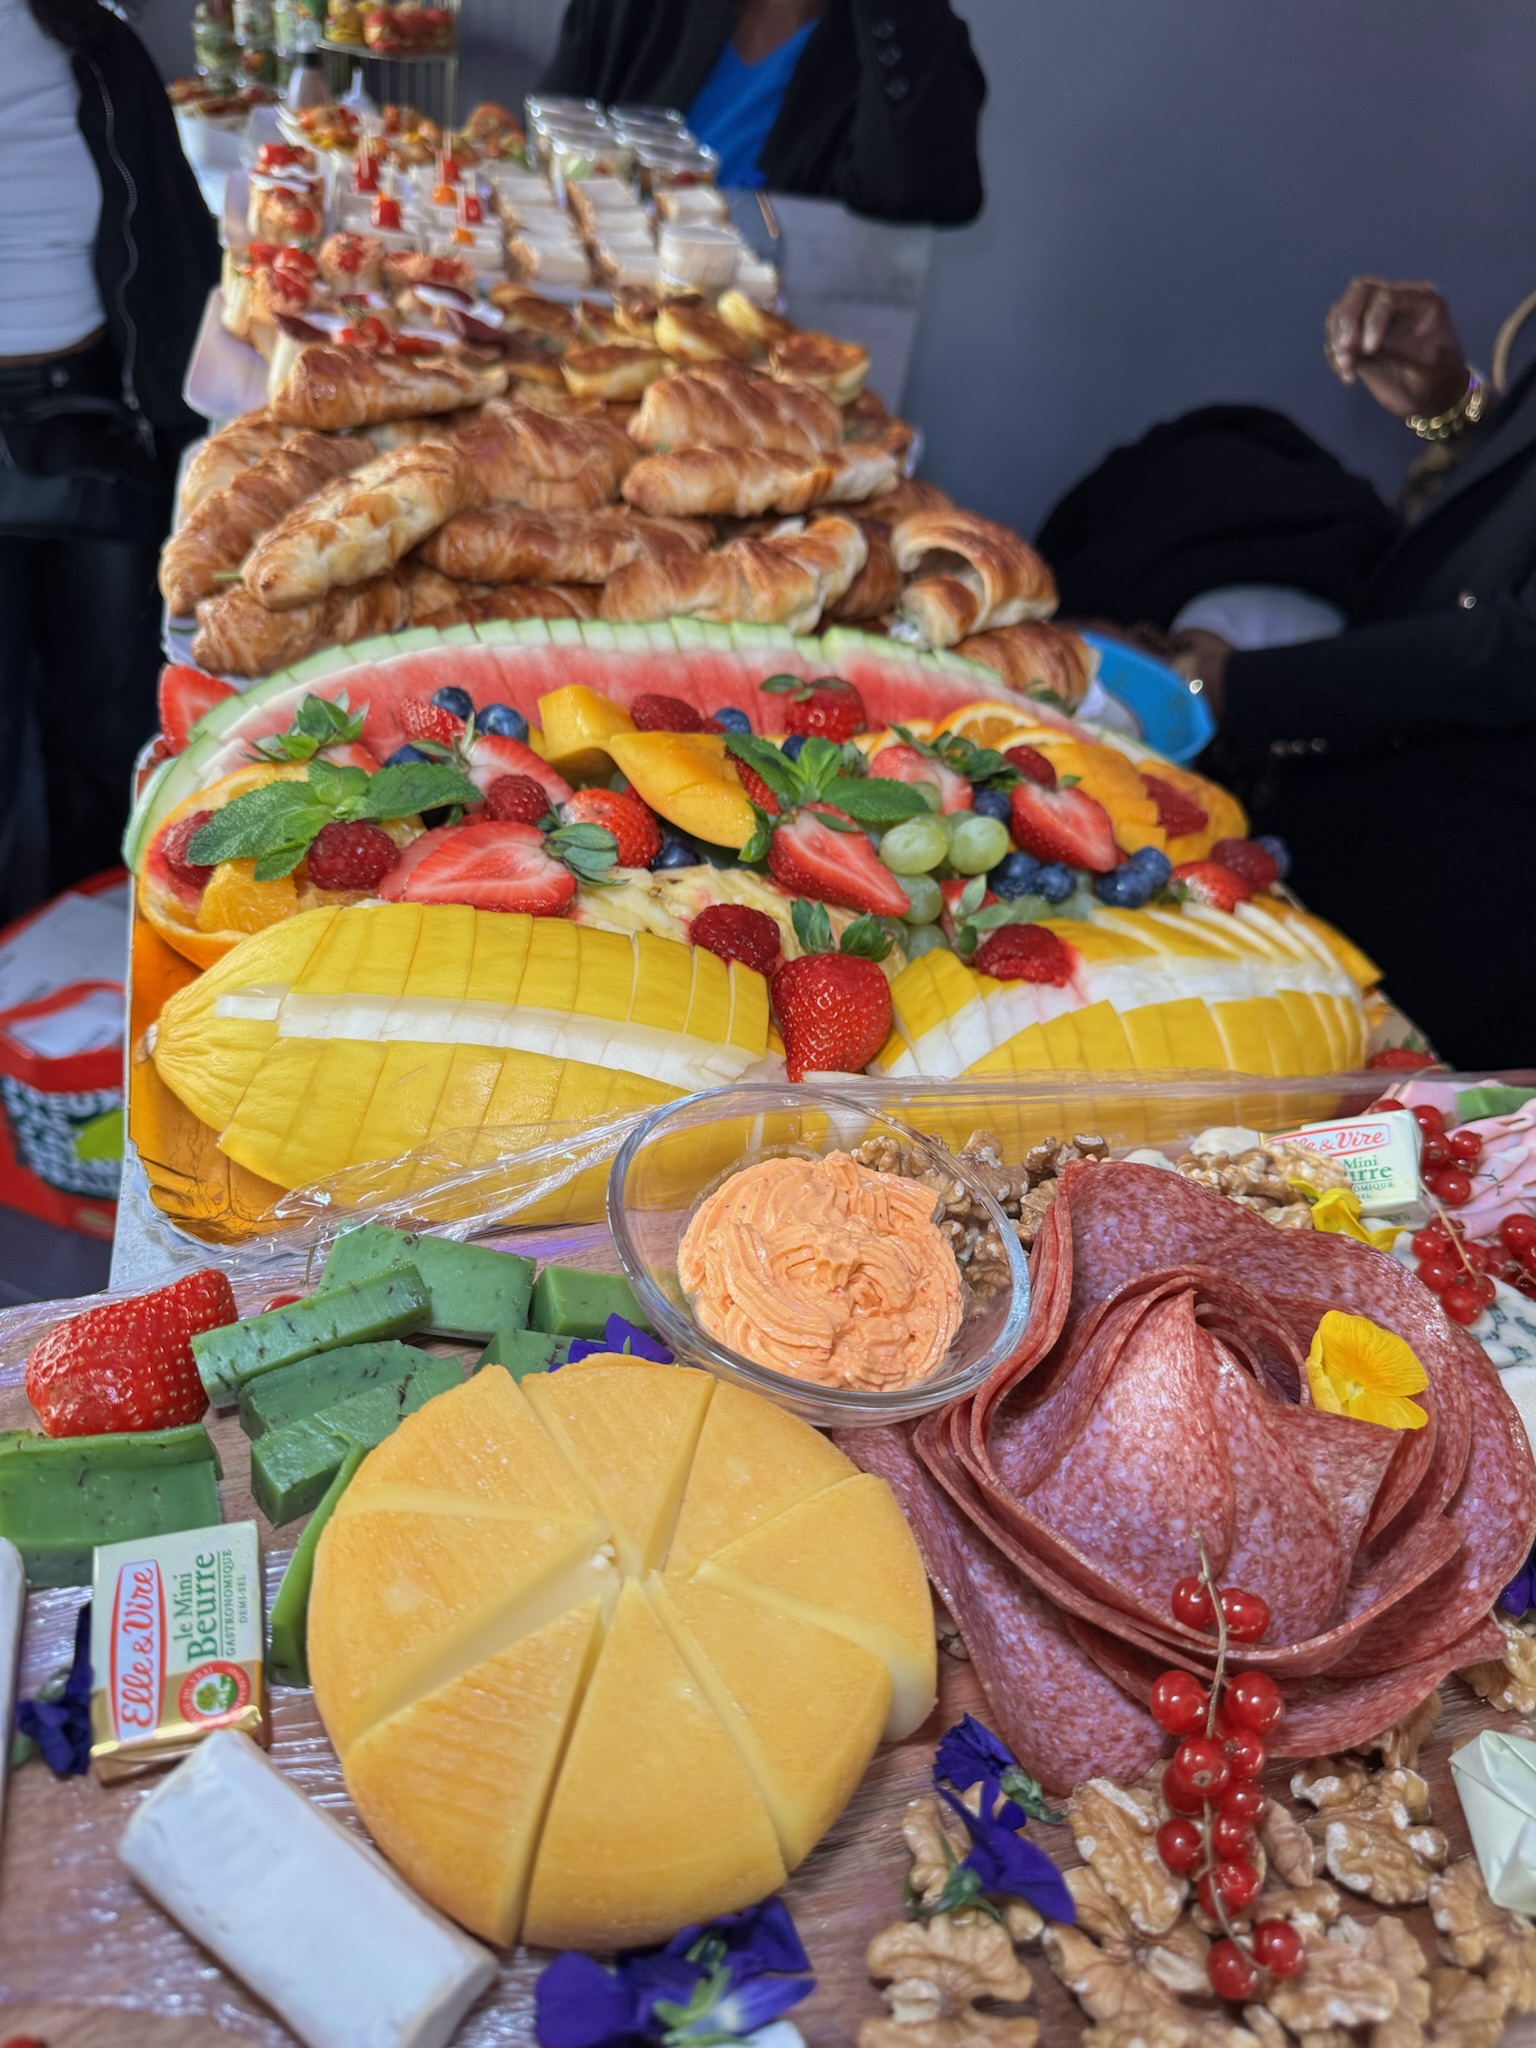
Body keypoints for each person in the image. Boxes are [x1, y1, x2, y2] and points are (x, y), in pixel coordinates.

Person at [1158, 278, 1536, 1069]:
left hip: (1471, 888)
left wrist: (1237, 686)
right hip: (1381, 801)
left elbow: (1515, 650)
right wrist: (1453, 404)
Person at [0, 0, 218, 914]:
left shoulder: (96, 47)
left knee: (110, 710)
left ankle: (92, 930)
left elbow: (174, 245)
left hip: (96, 422)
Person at [539, 0, 986, 226]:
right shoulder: (637, 10)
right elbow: (543, 153)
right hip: (592, 341)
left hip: (779, 364)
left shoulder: (901, 38)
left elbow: (925, 192)